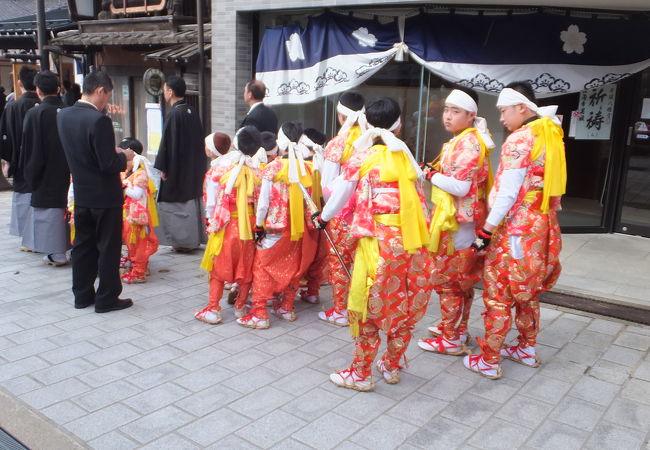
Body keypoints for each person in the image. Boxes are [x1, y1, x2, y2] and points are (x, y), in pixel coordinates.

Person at [315, 97, 432, 391]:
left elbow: (339, 196)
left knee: (367, 306)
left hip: (377, 244)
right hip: (412, 242)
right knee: (402, 305)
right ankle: (391, 366)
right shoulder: (406, 156)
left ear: (366, 124)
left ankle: (360, 373)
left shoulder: (362, 157)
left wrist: (323, 218)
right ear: (399, 124)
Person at [463, 81, 565, 379]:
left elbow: (507, 193)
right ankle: (526, 347)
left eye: (504, 111)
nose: (502, 118)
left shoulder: (520, 140)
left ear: (522, 107)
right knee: (528, 289)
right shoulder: (549, 134)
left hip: (516, 227)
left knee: (499, 292)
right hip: (541, 223)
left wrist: (486, 231)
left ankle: (489, 358)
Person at [417, 88, 494, 356]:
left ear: (471, 115)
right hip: (458, 220)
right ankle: (457, 329)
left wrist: (430, 175)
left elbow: (460, 188)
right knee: (461, 280)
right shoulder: (465, 140)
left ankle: (451, 338)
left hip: (459, 222)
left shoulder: (469, 144)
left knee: (449, 280)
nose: (448, 116)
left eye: (455, 111)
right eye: (447, 110)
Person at [57, 70, 135, 313]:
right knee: (108, 248)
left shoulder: (64, 115)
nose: (107, 102)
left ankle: (82, 295)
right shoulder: (98, 120)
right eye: (108, 96)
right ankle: (107, 298)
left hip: (82, 193)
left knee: (82, 246)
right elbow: (107, 164)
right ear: (100, 90)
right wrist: (125, 158)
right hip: (105, 196)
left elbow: (85, 152)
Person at [237, 122, 313, 329]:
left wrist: (259, 225)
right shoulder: (306, 167)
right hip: (298, 228)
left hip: (275, 226)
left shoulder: (273, 168)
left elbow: (263, 203)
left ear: (281, 141)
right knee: (292, 265)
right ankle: (287, 307)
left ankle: (260, 312)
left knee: (262, 266)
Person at [197, 126, 265, 324]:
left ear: (236, 144)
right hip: (250, 227)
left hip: (225, 225)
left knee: (218, 269)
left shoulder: (218, 170)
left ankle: (213, 308)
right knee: (246, 268)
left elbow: (210, 203)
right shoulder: (258, 172)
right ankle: (240, 307)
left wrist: (211, 223)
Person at [318, 90, 367, 327]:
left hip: (342, 213)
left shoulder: (339, 143)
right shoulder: (372, 138)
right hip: (368, 214)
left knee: (339, 261)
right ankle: (361, 307)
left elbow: (327, 187)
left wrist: (326, 212)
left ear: (340, 116)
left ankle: (340, 310)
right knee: (362, 261)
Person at [21, 70, 71, 266]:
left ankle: (56, 253)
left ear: (38, 91)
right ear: (58, 89)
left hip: (45, 171)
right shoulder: (69, 110)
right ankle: (72, 248)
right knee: (71, 209)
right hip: (70, 170)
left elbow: (30, 148)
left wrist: (30, 174)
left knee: (50, 213)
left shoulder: (35, 114)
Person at [154, 76, 207, 252]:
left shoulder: (175, 114)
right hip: (193, 167)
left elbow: (169, 144)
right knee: (192, 201)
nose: (163, 92)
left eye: (165, 89)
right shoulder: (192, 111)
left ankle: (183, 242)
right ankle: (193, 239)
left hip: (178, 168)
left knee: (176, 203)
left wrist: (164, 167)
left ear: (171, 91)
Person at [0, 66, 40, 245]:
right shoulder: (43, 105)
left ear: (19, 83)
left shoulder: (13, 107)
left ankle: (27, 239)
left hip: (20, 161)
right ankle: (40, 237)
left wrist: (8, 160)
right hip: (42, 164)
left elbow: (5, 136)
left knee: (24, 198)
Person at [120, 137, 160, 284]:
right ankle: (136, 268)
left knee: (139, 245)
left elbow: (137, 195)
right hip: (129, 215)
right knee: (132, 244)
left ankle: (139, 272)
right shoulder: (130, 172)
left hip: (137, 217)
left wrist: (124, 187)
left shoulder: (140, 174)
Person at [298, 127, 328, 305]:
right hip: (323, 217)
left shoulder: (301, 168)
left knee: (301, 256)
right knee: (318, 255)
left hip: (303, 218)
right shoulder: (323, 164)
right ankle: (313, 291)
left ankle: (285, 298)